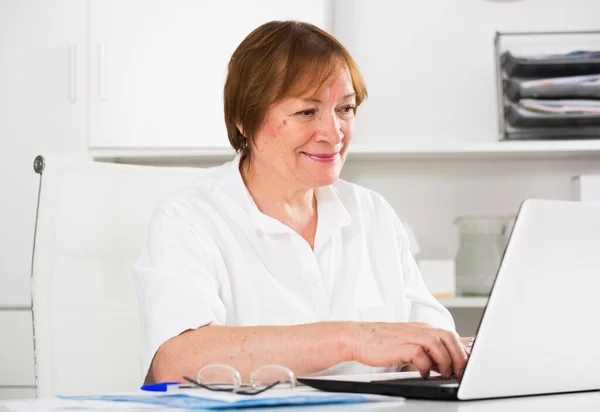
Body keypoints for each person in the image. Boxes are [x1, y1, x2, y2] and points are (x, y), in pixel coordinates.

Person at [133, 20, 471, 386]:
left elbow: (423, 346)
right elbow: (174, 362)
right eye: (307, 112)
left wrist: (444, 356)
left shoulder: (373, 214)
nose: (333, 133)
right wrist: (351, 340)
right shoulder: (189, 218)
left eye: (345, 109)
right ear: (243, 120)